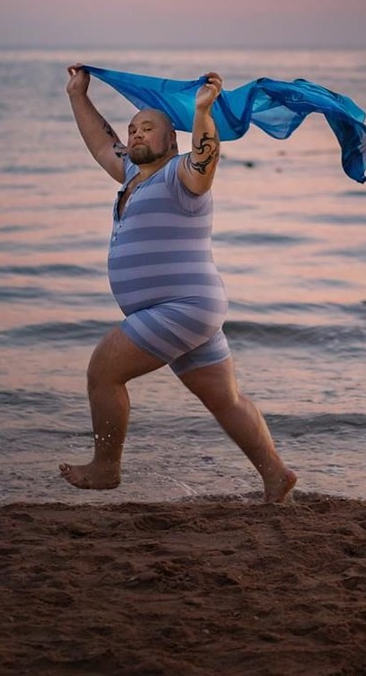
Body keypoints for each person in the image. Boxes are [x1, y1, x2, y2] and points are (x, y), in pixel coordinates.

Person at [59, 65, 297, 503]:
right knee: (225, 400)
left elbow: (207, 160)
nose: (135, 135)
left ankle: (106, 468)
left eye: (147, 129)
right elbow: (98, 142)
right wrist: (78, 94)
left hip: (181, 308)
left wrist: (203, 112)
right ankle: (277, 475)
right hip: (191, 311)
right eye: (132, 129)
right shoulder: (131, 174)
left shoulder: (182, 177)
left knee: (103, 371)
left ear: (171, 140)